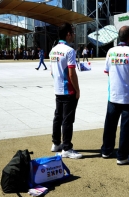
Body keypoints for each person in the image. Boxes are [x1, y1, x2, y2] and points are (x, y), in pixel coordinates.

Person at [101, 25, 129, 165]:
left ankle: (106, 151)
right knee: (127, 127)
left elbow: (107, 72)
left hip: (113, 95)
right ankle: (122, 156)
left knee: (110, 124)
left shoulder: (111, 51)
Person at [49, 22, 82, 159]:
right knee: (67, 119)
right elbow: (71, 73)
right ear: (68, 34)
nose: (74, 35)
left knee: (58, 117)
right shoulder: (69, 51)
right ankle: (67, 148)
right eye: (73, 33)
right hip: (68, 90)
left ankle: (56, 143)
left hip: (57, 88)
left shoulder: (53, 50)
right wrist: (77, 89)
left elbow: (52, 71)